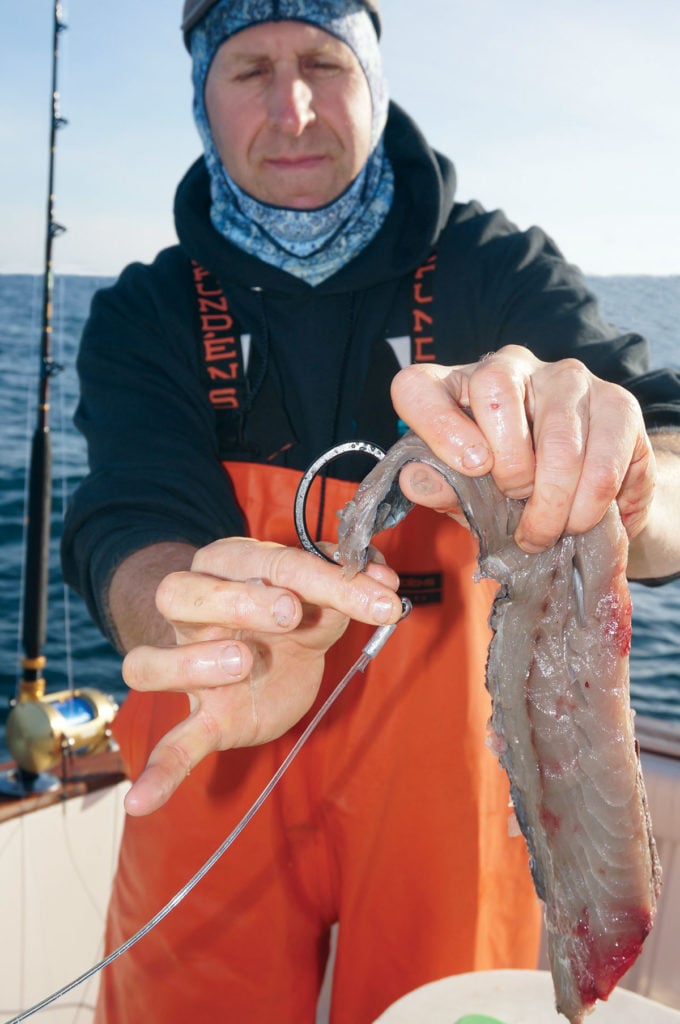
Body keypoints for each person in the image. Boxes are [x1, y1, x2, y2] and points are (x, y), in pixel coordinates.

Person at [62, 1, 680, 1021]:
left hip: (446, 762)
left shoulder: (496, 266)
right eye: (248, 69)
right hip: (224, 721)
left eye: (322, 61)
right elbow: (125, 520)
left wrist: (622, 481)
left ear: (375, 78)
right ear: (200, 100)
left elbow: (665, 450)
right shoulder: (146, 308)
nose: (292, 106)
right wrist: (190, 621)